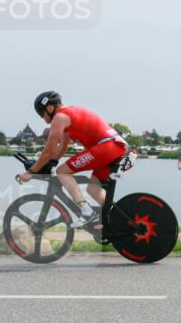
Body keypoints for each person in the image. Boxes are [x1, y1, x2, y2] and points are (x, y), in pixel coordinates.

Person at [18, 91, 127, 227]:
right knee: (93, 189)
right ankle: (118, 221)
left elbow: (49, 149)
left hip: (106, 147)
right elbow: (64, 146)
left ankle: (87, 212)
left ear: (50, 108)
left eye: (41, 114)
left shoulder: (59, 118)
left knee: (62, 172)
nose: (42, 118)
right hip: (115, 147)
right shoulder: (68, 114)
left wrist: (31, 172)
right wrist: (52, 161)